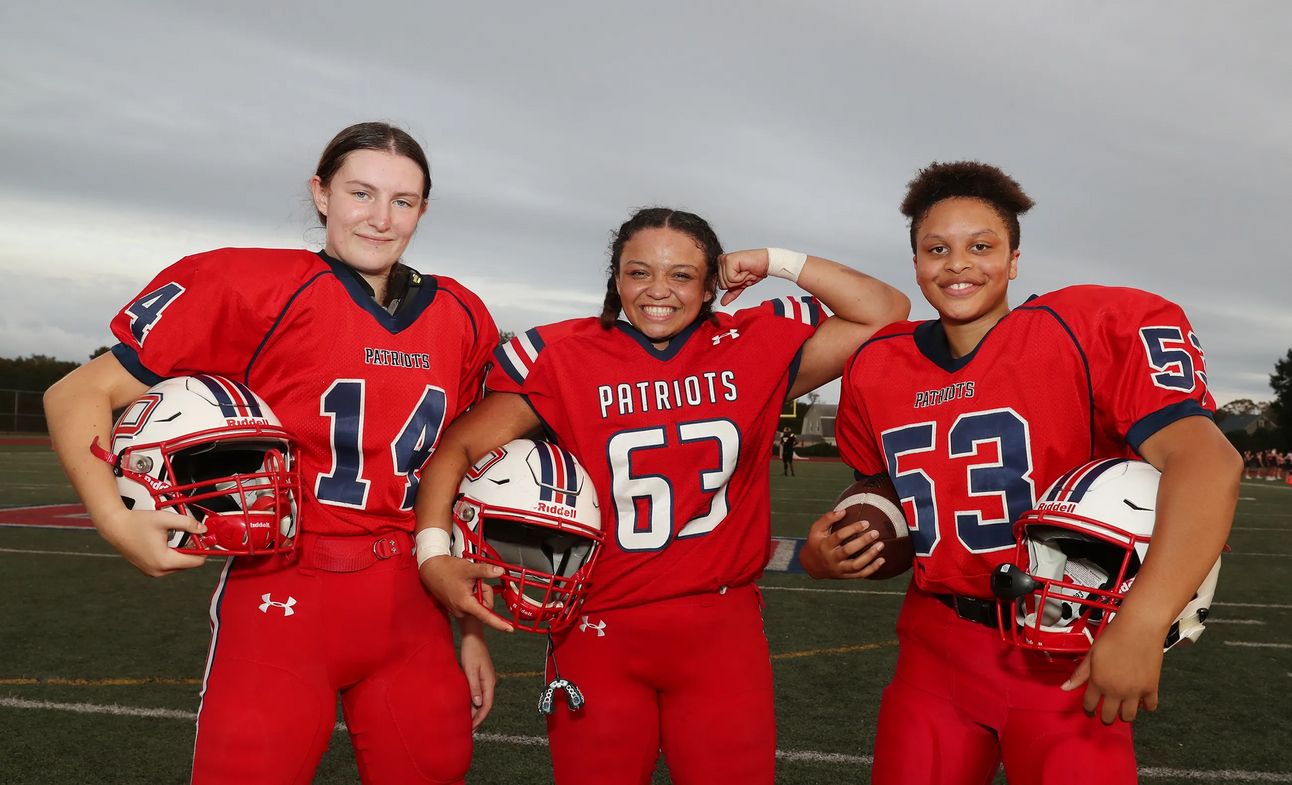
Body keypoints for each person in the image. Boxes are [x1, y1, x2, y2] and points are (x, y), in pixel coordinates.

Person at [43, 122, 502, 785]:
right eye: (361, 193)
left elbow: (458, 479)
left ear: (422, 210)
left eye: (402, 201)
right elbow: (77, 393)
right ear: (321, 193)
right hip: (285, 587)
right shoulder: (255, 286)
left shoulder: (462, 314)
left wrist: (471, 630)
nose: (380, 218)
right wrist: (115, 521)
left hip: (415, 605)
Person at [416, 206, 910, 785]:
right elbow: (457, 449)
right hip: (597, 629)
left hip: (721, 628)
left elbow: (885, 310)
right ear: (616, 278)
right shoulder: (563, 356)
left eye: (681, 275)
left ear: (710, 284)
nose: (658, 290)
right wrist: (433, 554)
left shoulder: (751, 344)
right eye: (639, 272)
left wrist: (774, 260)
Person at [800, 161, 1240, 785]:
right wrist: (832, 551)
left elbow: (1210, 463)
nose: (958, 264)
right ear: (916, 263)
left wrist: (1142, 623)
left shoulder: (1080, 331)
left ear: (1013, 260)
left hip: (1059, 644)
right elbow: (885, 493)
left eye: (981, 247)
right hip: (935, 647)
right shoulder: (878, 362)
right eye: (937, 249)